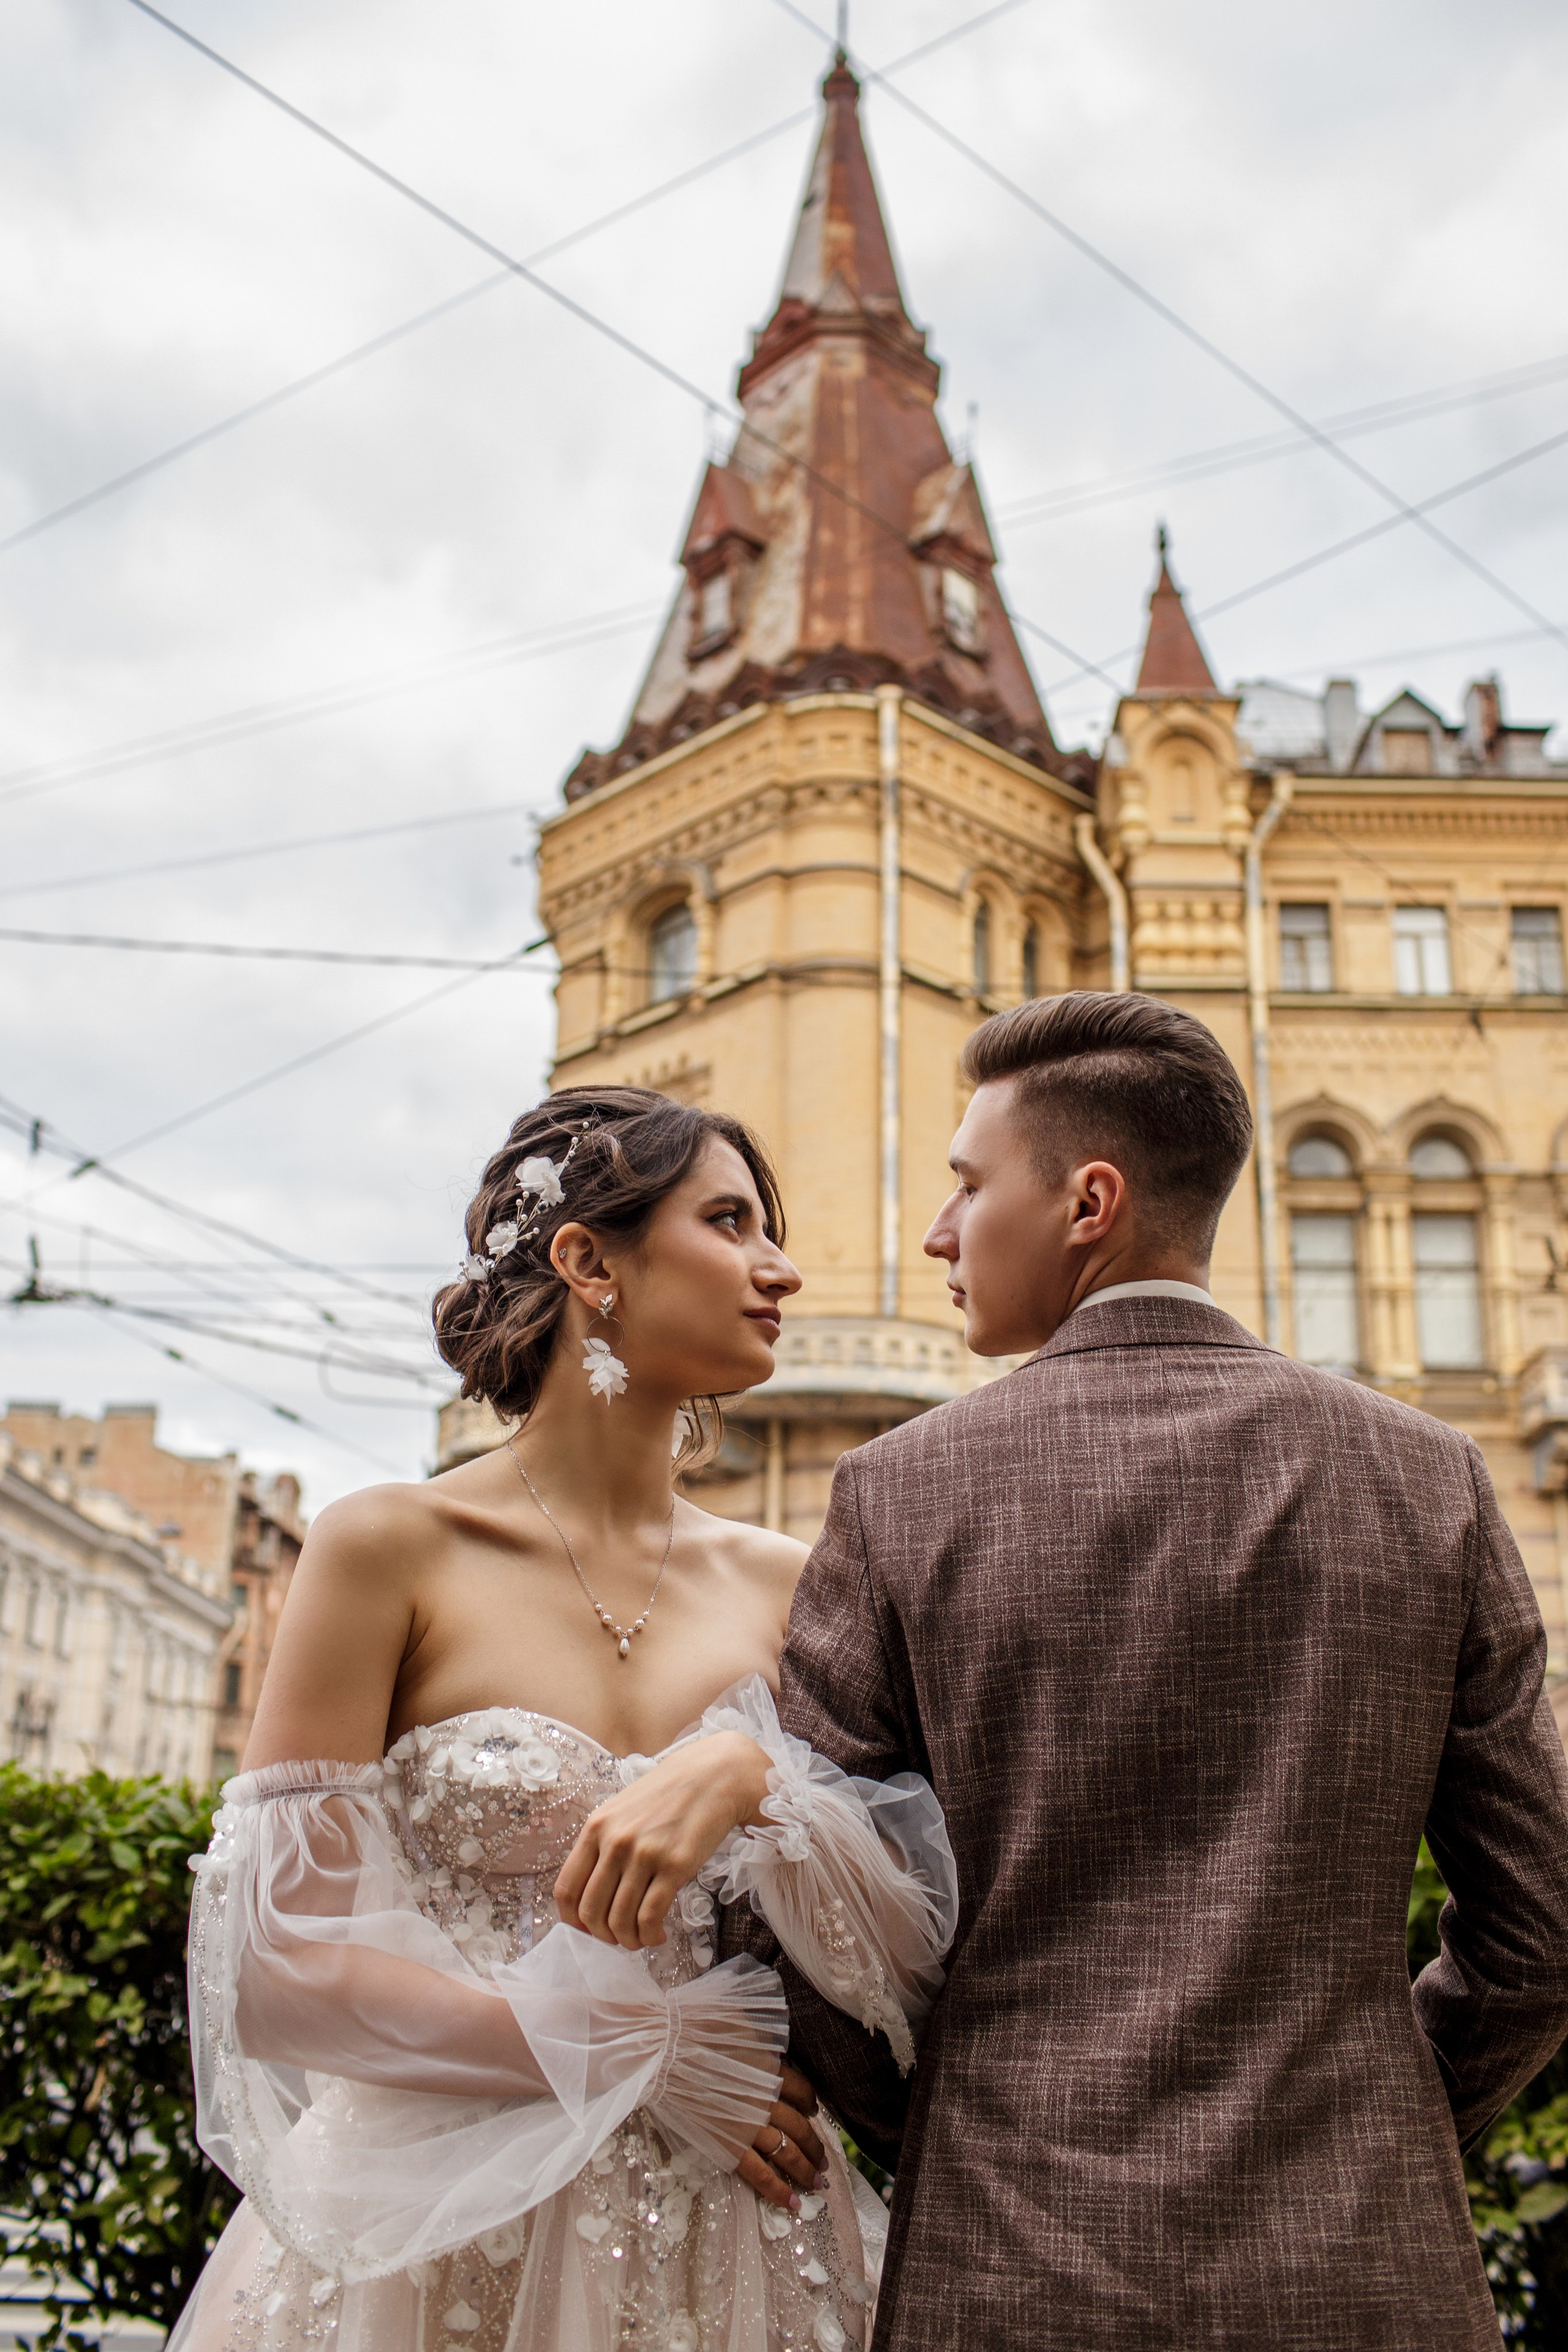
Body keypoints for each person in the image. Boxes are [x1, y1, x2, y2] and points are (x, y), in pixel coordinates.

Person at [723, 989, 1568, 2351]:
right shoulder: (1430, 1481)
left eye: (964, 1184)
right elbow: (1537, 1934)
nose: (938, 1232)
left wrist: (959, 2123)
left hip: (1008, 2266)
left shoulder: (901, 1492)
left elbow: (785, 1893)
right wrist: (1379, 2114)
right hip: (1361, 2265)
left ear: (1087, 1202)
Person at [170, 1086, 957, 2352]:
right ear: (590, 1260)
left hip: (739, 2234)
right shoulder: (387, 1547)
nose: (784, 1270)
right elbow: (279, 1974)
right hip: (439, 2228)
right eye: (730, 1222)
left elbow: (901, 1949)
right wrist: (639, 2052)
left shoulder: (789, 1579)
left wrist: (752, 1773)